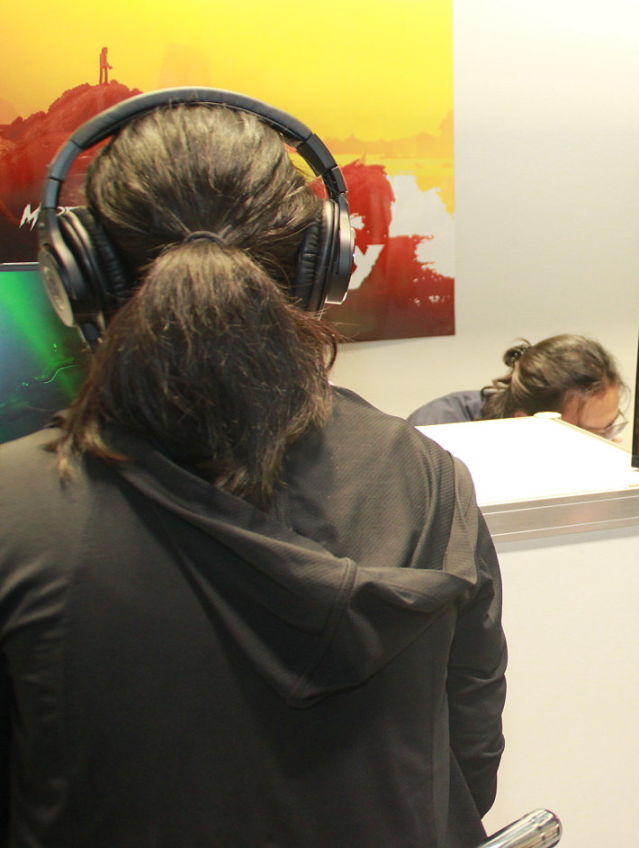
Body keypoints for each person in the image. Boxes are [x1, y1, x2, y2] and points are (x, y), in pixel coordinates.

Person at [0, 99, 505, 846]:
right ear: (320, 266)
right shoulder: (424, 476)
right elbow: (469, 764)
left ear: (81, 275)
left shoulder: (15, 509)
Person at [408, 333, 627, 440]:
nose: (605, 442)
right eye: (593, 434)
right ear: (526, 422)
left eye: (610, 428)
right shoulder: (437, 435)